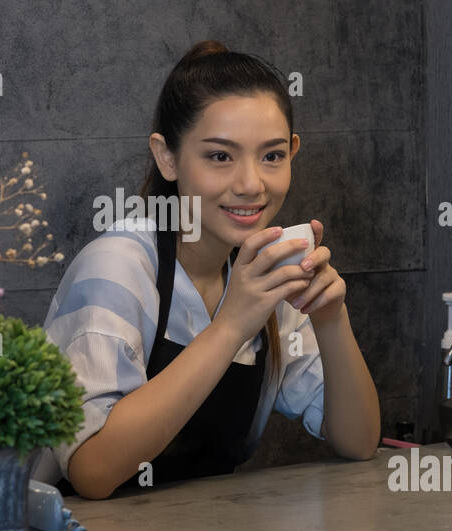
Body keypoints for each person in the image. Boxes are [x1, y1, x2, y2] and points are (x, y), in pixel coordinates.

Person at [33, 40, 381, 499]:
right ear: (168, 157)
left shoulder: (267, 268)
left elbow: (357, 442)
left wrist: (331, 319)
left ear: (293, 152)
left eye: (272, 156)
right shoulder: (118, 265)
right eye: (220, 156)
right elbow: (93, 470)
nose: (251, 183)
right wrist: (232, 324)